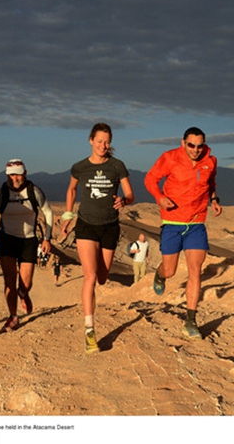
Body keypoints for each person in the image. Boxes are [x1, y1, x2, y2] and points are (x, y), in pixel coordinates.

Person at [61, 122, 134, 354]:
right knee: (90, 276)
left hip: (110, 226)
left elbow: (130, 193)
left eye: (107, 141)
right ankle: (89, 331)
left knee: (102, 277)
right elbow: (71, 189)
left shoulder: (117, 166)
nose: (103, 145)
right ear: (91, 140)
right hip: (86, 226)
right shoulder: (80, 167)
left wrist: (124, 200)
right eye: (99, 141)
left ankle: (90, 325)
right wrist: (68, 214)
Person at [144, 127, 222, 340]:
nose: (196, 150)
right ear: (183, 143)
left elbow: (211, 183)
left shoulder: (210, 161)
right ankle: (160, 275)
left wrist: (214, 200)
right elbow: (150, 179)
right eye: (191, 145)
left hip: (196, 223)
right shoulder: (169, 158)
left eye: (200, 146)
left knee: (195, 269)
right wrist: (159, 197)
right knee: (170, 270)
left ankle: (191, 321)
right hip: (172, 222)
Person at [0, 159, 54, 332]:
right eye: (11, 174)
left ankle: (23, 293)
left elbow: (48, 212)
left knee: (26, 282)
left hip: (28, 240)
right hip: (6, 239)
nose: (15, 178)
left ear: (25, 173)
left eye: (18, 174)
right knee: (9, 280)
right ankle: (13, 316)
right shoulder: (1, 193)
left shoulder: (33, 191)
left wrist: (47, 238)